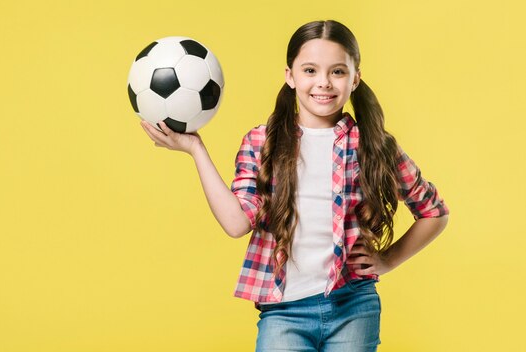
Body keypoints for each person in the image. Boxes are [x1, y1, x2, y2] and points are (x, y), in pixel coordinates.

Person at [140, 19, 449, 352]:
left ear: (355, 78)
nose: (324, 83)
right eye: (310, 70)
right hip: (283, 312)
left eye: (338, 72)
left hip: (353, 306)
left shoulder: (374, 145)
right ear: (290, 76)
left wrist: (387, 260)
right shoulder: (262, 142)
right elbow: (235, 223)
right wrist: (196, 150)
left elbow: (434, 212)